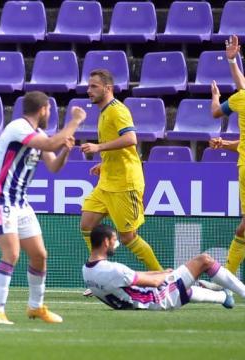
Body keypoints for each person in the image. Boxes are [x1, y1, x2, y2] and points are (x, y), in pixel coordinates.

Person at [0, 91, 86, 325]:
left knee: (40, 255)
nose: (49, 114)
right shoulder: (18, 128)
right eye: (49, 110)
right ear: (42, 110)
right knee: (11, 254)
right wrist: (75, 121)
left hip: (20, 202)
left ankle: (36, 307)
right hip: (1, 199)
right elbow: (51, 142)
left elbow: (53, 166)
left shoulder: (37, 133)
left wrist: (66, 152)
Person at [80, 69, 163, 277]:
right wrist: (104, 163)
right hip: (107, 181)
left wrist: (99, 148)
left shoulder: (118, 110)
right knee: (87, 226)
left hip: (125, 183)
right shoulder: (104, 111)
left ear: (108, 88)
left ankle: (162, 277)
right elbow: (118, 147)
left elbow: (131, 139)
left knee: (128, 237)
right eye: (89, 86)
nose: (89, 90)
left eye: (94, 86)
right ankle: (100, 272)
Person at [82, 224, 245, 311]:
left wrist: (162, 272)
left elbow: (132, 277)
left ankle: (224, 298)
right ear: (105, 242)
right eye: (114, 241)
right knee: (204, 260)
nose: (116, 245)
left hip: (138, 303)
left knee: (183, 289)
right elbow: (153, 283)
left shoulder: (87, 271)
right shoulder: (113, 270)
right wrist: (172, 274)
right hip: (157, 299)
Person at [209, 34, 245, 275]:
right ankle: (229, 279)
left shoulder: (241, 99)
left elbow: (214, 113)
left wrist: (215, 97)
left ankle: (227, 280)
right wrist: (226, 145)